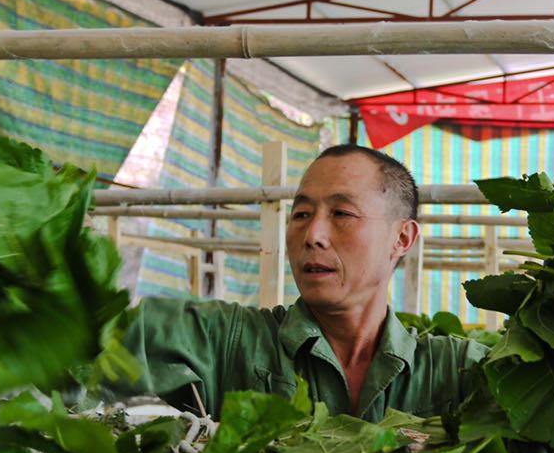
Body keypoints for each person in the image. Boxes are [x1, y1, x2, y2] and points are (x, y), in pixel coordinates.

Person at [117, 145, 489, 421]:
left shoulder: (454, 370)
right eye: (301, 214)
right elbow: (103, 338)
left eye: (341, 213)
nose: (313, 234)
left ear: (402, 239)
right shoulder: (227, 342)